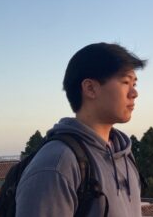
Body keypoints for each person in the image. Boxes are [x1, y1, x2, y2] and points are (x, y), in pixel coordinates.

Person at [16, 42, 146, 217]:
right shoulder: (57, 164)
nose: (134, 93)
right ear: (90, 88)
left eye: (134, 84)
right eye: (125, 82)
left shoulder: (124, 155)